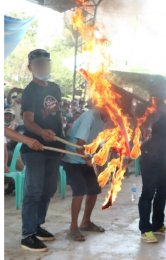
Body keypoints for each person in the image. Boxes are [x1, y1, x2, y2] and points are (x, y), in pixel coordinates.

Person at [20, 49, 63, 252]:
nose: (43, 67)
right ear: (30, 68)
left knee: (48, 190)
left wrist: (62, 143)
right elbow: (27, 120)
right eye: (38, 64)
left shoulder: (54, 87)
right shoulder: (29, 92)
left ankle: (37, 225)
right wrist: (41, 132)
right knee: (34, 191)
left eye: (46, 63)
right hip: (35, 147)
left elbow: (57, 116)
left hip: (54, 147)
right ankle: (27, 234)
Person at [137, 76, 166, 243]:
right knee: (148, 192)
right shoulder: (143, 106)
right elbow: (143, 125)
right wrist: (147, 125)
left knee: (163, 192)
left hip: (165, 156)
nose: (162, 91)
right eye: (158, 88)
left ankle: (157, 224)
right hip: (149, 155)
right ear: (151, 91)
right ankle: (145, 228)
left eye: (163, 88)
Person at [62, 108, 109, 241]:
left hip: (86, 157)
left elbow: (100, 143)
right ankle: (73, 227)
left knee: (94, 188)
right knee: (79, 190)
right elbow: (79, 144)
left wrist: (98, 158)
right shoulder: (90, 116)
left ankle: (85, 222)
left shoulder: (107, 120)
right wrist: (87, 159)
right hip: (73, 157)